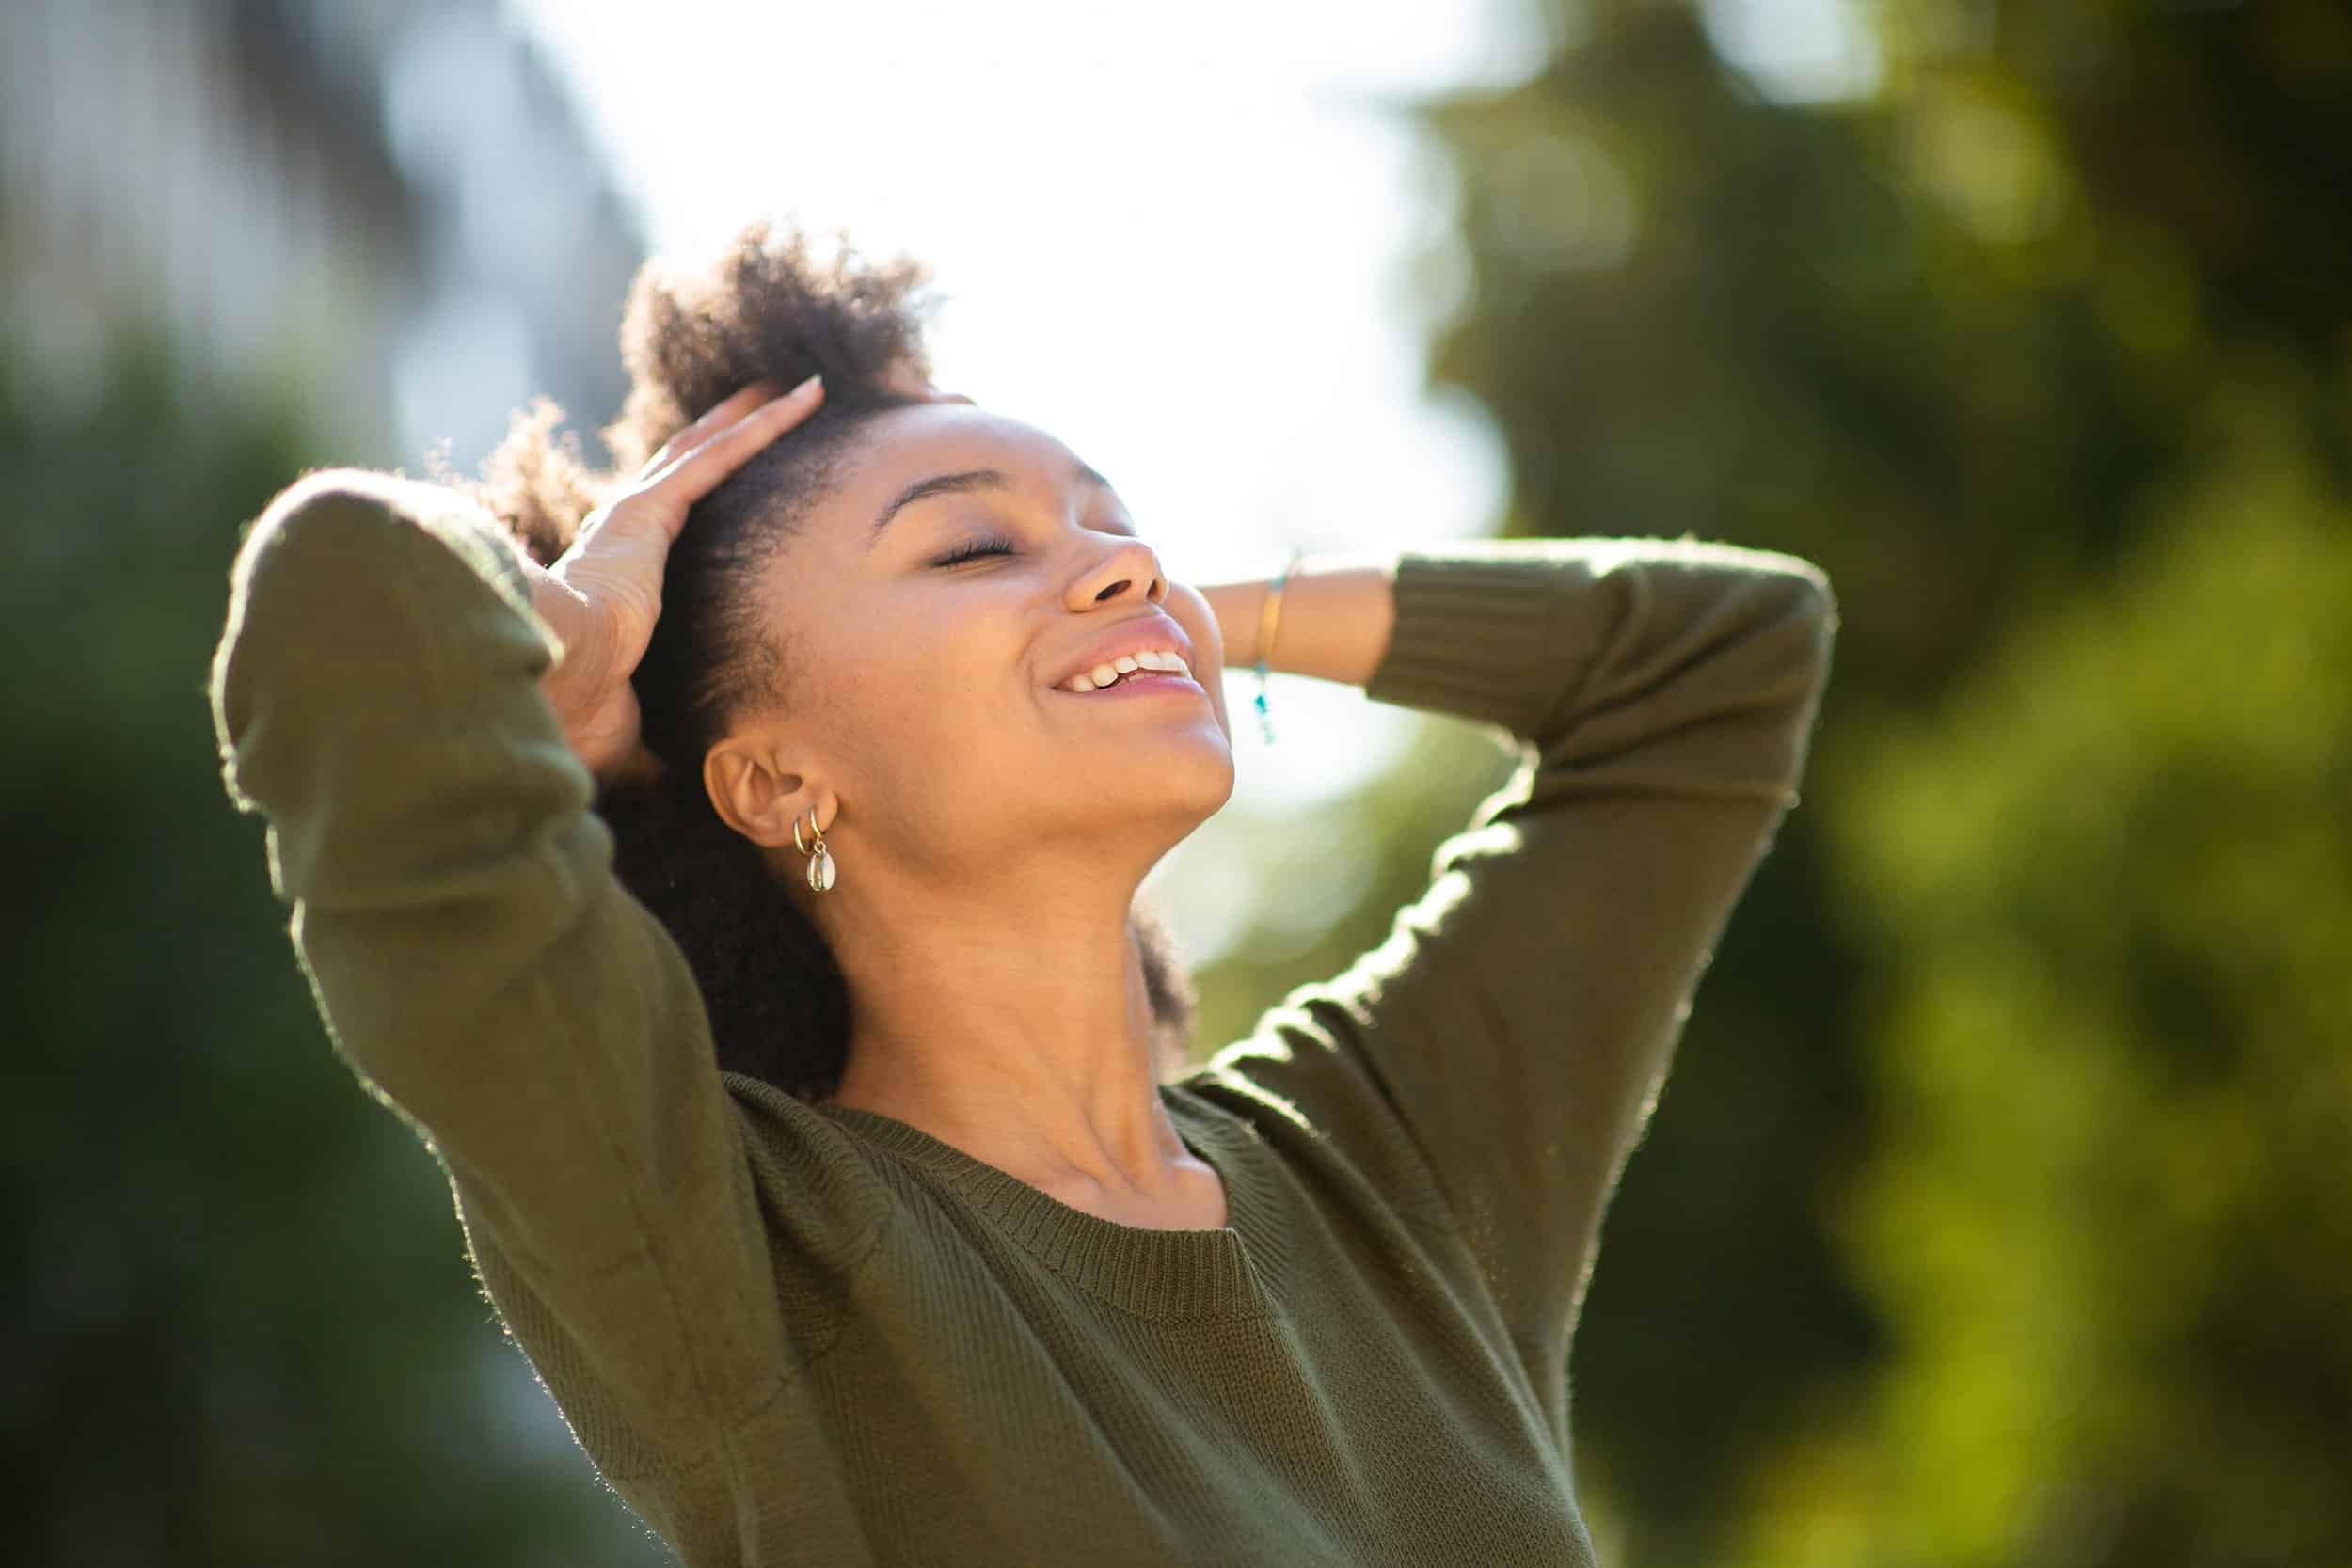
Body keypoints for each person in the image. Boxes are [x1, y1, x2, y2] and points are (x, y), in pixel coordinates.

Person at [210, 215, 1836, 1566]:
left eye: (1118, 527)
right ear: (775, 781)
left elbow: (1723, 659)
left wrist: (1181, 617)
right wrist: (571, 672)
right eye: (971, 552)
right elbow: (347, 594)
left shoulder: (1388, 1160)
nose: (1115, 561)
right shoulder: (744, 1248)